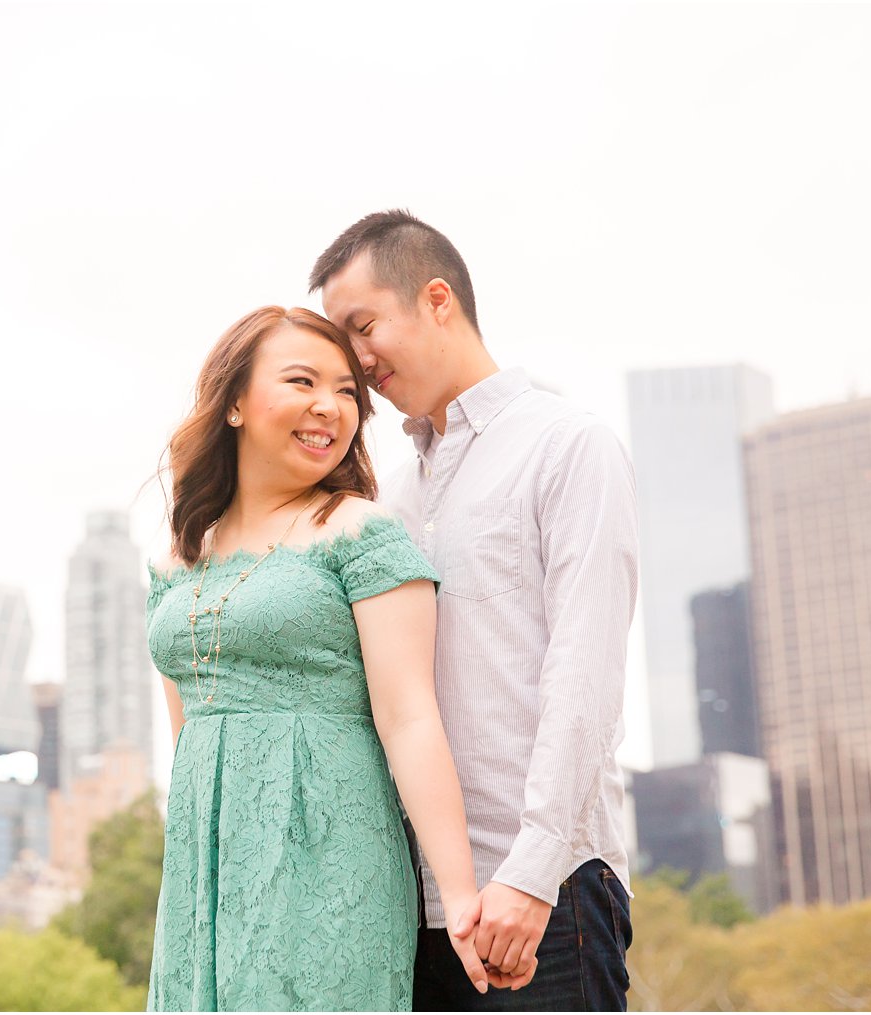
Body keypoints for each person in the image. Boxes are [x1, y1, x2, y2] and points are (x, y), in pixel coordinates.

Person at [310, 210, 638, 1011]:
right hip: (413, 912)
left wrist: (529, 873)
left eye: (363, 326)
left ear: (436, 299)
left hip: (545, 897)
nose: (355, 361)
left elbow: (583, 673)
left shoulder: (567, 445)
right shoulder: (390, 495)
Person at [145, 305, 499, 1011]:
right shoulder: (178, 558)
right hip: (204, 876)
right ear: (236, 402)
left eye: (346, 391)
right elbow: (190, 737)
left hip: (327, 861)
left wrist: (460, 892)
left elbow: (409, 717)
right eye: (303, 381)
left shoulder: (360, 531)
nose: (329, 407)